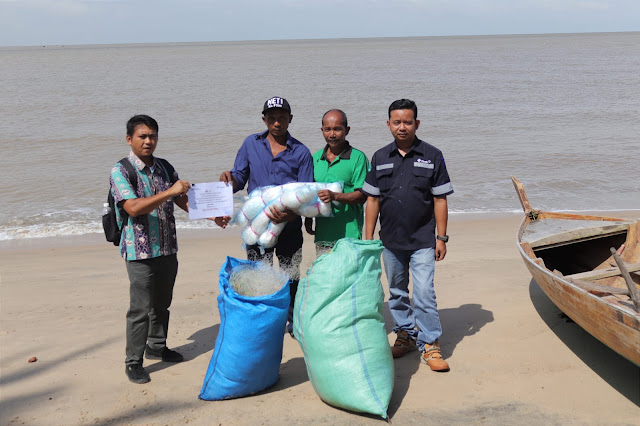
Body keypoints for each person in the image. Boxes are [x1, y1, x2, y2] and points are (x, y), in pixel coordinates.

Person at [110, 115, 226, 384]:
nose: (148, 141)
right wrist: (169, 192)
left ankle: (157, 346)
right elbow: (133, 207)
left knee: (162, 304)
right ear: (129, 139)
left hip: (166, 247)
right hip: (139, 251)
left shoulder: (163, 167)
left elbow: (184, 199)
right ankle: (133, 361)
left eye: (152, 136)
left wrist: (213, 216)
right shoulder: (121, 170)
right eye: (142, 136)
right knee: (140, 308)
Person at [362, 99, 454, 372]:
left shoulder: (432, 155)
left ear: (417, 124)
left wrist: (442, 237)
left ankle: (430, 344)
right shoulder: (379, 157)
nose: (402, 127)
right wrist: (369, 239)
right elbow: (373, 201)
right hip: (390, 241)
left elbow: (440, 200)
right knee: (398, 293)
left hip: (423, 240)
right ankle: (405, 335)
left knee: (424, 292)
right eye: (397, 122)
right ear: (388, 124)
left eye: (408, 122)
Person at [220, 97, 313, 333]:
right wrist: (229, 182)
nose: (277, 122)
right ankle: (263, 315)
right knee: (258, 271)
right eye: (272, 118)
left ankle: (292, 320)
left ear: (290, 119)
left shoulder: (301, 152)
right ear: (264, 119)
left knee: (290, 272)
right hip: (257, 224)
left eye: (282, 118)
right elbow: (240, 177)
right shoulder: (250, 144)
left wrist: (290, 216)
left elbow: (306, 192)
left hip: (289, 225)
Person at [304, 109, 368, 252]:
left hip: (349, 236)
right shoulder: (315, 158)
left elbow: (362, 196)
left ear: (347, 130)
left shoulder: (358, 158)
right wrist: (308, 217)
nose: (332, 134)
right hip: (323, 235)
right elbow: (310, 192)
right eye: (328, 129)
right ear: (322, 130)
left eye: (337, 129)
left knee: (348, 274)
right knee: (324, 274)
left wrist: (335, 196)